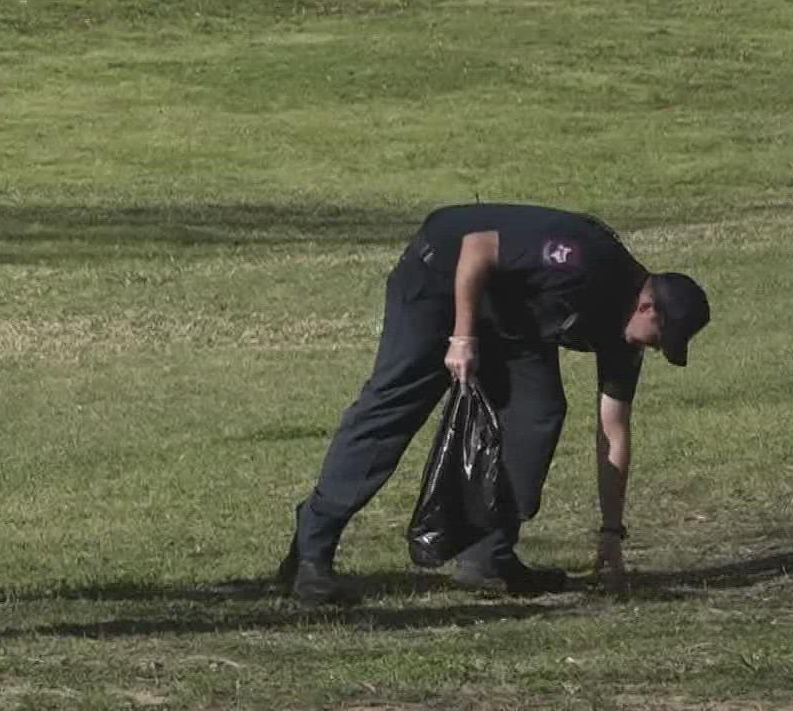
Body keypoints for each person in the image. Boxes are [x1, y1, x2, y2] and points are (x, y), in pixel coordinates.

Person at [280, 203, 711, 606]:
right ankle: (312, 553)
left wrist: (611, 535)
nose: (654, 348)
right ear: (646, 304)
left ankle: (489, 556)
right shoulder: (582, 259)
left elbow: (613, 431)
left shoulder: (629, 336)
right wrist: (462, 338)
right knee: (394, 406)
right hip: (444, 273)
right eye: (660, 336)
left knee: (537, 414)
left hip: (510, 313)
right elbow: (477, 248)